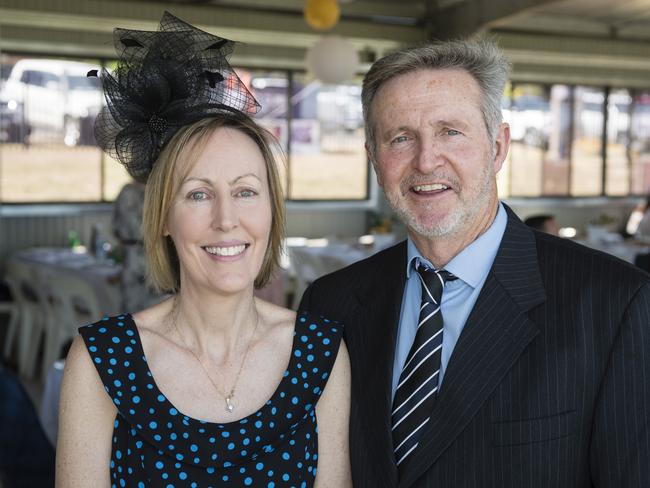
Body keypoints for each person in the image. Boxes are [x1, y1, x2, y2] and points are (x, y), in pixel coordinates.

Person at [299, 39, 650, 487]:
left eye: (451, 132)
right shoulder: (330, 305)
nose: (426, 161)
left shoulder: (614, 304)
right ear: (373, 156)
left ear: (498, 146)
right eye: (401, 138)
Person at [56, 12, 351, 488]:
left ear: (272, 211)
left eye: (246, 191)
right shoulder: (101, 359)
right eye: (197, 193)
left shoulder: (322, 353)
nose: (226, 219)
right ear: (164, 218)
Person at [112, 179, 164, 312]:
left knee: (132, 301)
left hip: (132, 255)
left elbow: (115, 228)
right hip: (153, 252)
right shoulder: (157, 192)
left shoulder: (126, 191)